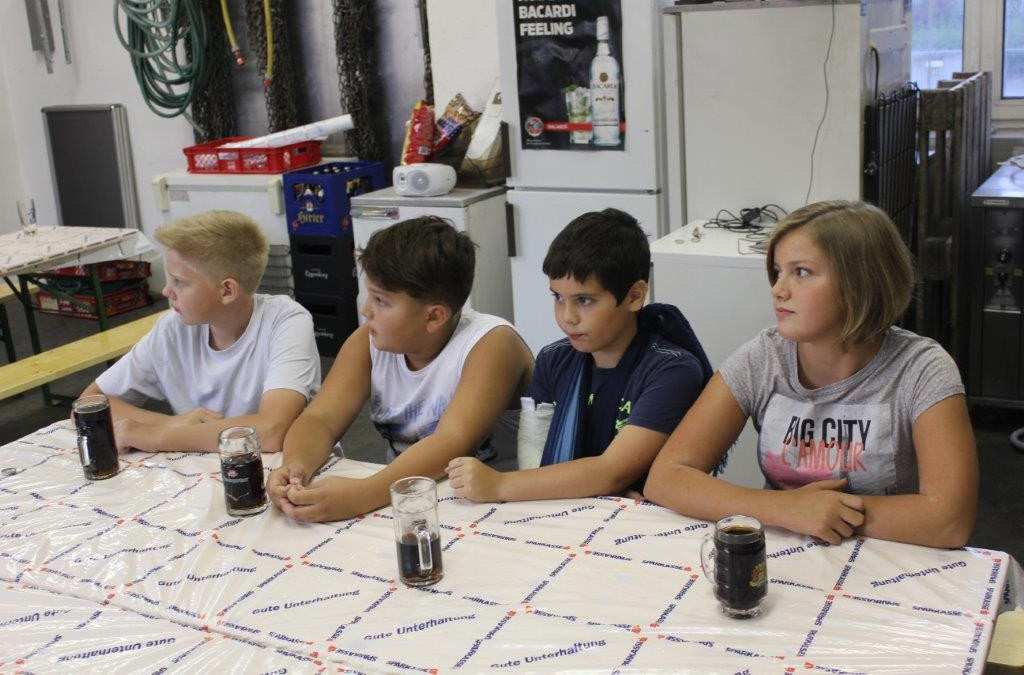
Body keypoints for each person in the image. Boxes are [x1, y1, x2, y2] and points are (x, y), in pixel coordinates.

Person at [645, 200, 978, 549]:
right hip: (783, 557)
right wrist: (785, 508)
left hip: (890, 563)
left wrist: (827, 512)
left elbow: (950, 520)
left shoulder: (922, 368)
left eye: (801, 272)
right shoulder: (764, 357)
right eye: (778, 271)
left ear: (861, 282)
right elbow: (666, 477)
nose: (778, 289)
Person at [268, 216, 533, 522]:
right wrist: (295, 468)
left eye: (381, 301)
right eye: (369, 294)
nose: (365, 309)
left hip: (498, 510)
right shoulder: (367, 342)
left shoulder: (492, 343)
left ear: (434, 317)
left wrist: (362, 495)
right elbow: (320, 419)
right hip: (410, 501)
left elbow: (452, 441)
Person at [446, 209, 710, 503]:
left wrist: (499, 484)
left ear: (635, 296)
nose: (567, 317)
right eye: (558, 297)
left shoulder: (672, 370)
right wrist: (596, 490)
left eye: (584, 300)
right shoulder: (553, 359)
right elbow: (534, 464)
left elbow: (613, 471)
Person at [79, 210, 320, 453]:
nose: (166, 291)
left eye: (179, 281)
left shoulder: (286, 321)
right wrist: (170, 424)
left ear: (227, 291)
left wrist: (157, 436)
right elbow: (88, 404)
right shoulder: (172, 328)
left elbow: (272, 431)